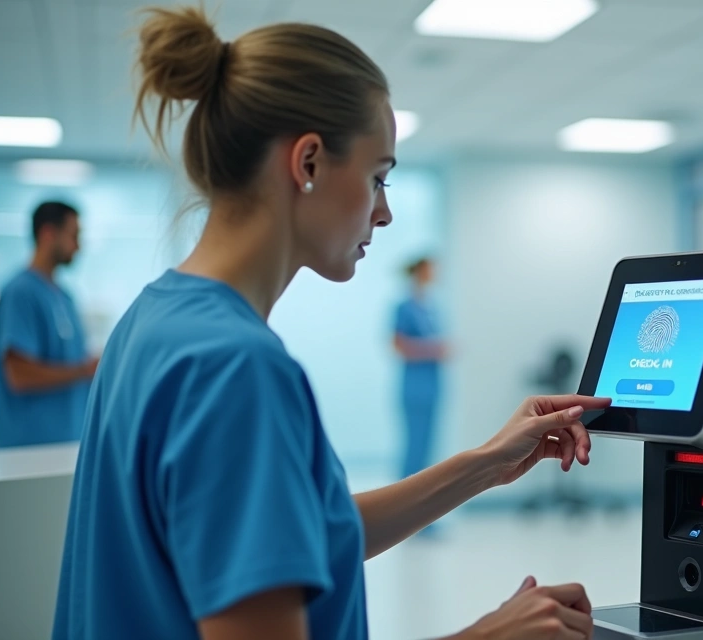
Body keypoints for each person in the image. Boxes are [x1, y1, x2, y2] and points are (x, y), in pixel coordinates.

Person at [52, 6, 609, 640]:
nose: (385, 213)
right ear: (308, 163)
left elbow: (305, 535)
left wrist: (486, 463)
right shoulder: (236, 366)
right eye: (378, 178)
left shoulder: (154, 320)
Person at [0, 201, 99, 448]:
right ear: (48, 234)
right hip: (29, 450)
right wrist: (84, 370)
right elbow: (19, 375)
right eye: (73, 236)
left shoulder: (66, 297)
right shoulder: (20, 293)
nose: (78, 246)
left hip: (68, 443)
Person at [393, 256, 447, 481]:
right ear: (419, 272)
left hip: (432, 385)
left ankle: (425, 508)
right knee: (414, 445)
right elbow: (399, 345)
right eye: (430, 269)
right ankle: (405, 505)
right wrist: (435, 349)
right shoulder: (404, 308)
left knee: (427, 446)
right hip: (415, 386)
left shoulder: (428, 308)